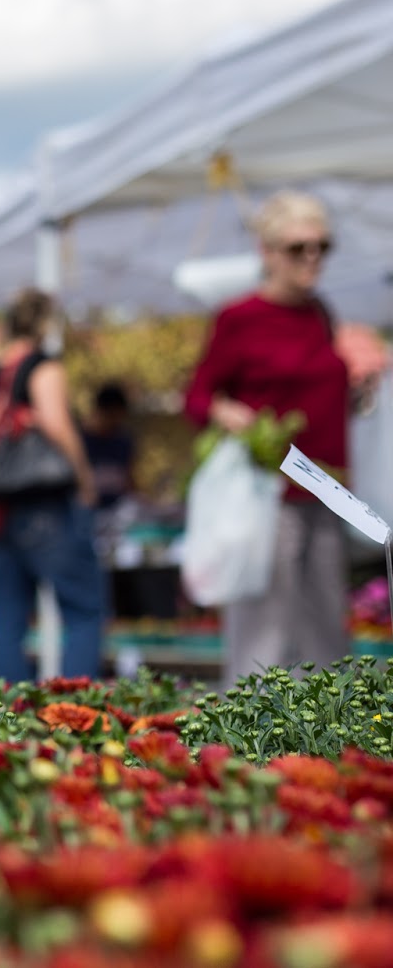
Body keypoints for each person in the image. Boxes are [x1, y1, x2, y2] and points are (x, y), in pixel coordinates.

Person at [184, 190, 359, 688]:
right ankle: (249, 749)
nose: (312, 259)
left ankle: (330, 748)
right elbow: (196, 397)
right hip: (268, 495)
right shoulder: (239, 319)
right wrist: (226, 412)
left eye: (322, 247)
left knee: (327, 630)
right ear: (266, 251)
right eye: (297, 248)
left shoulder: (320, 313)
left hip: (327, 489)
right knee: (266, 633)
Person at [0, 288, 106, 684]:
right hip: (45, 507)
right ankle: (76, 713)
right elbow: (57, 424)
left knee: (7, 619)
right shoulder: (43, 368)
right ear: (46, 324)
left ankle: (10, 721)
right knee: (83, 610)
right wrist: (85, 478)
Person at [84, 383, 137, 513]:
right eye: (112, 417)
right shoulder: (81, 442)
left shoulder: (122, 441)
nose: (115, 423)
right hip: (88, 512)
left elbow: (129, 480)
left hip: (117, 513)